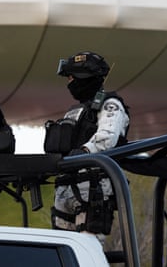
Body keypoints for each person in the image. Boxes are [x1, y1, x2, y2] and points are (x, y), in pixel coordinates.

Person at [44, 51, 130, 236]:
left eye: (71, 77)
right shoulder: (75, 111)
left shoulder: (110, 104)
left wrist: (84, 151)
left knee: (88, 248)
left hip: (92, 189)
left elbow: (107, 137)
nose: (69, 83)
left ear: (85, 78)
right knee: (61, 248)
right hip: (65, 187)